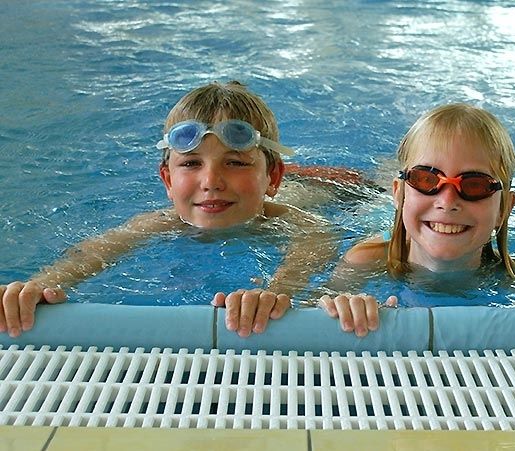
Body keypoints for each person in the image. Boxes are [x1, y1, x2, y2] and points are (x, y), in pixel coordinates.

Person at [0, 80, 337, 338]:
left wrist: (275, 293)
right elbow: (89, 255)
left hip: (314, 193)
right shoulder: (157, 223)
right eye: (191, 163)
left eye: (235, 162)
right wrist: (35, 287)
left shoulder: (299, 224)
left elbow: (316, 246)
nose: (211, 181)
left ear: (273, 176)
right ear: (167, 179)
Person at [318, 103, 515, 336]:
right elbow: (312, 314)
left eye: (475, 185)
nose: (448, 201)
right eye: (427, 179)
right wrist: (339, 307)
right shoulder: (365, 260)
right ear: (399, 194)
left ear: (504, 209)